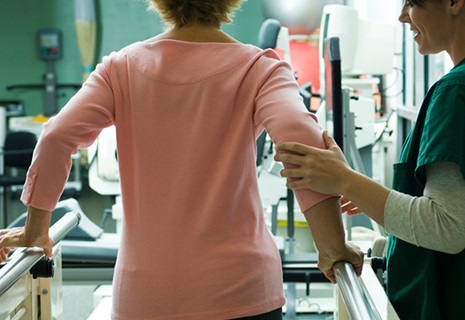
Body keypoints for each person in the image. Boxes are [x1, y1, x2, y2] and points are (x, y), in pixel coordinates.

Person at [0, 1, 363, 319]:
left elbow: (55, 136)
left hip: (145, 299)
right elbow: (301, 139)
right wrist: (332, 246)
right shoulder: (260, 68)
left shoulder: (120, 68)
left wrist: (36, 229)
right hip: (241, 294)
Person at [274, 0, 465, 319]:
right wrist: (366, 193)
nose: (403, 15)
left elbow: (448, 227)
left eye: (410, 3)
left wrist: (343, 180)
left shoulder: (454, 91)